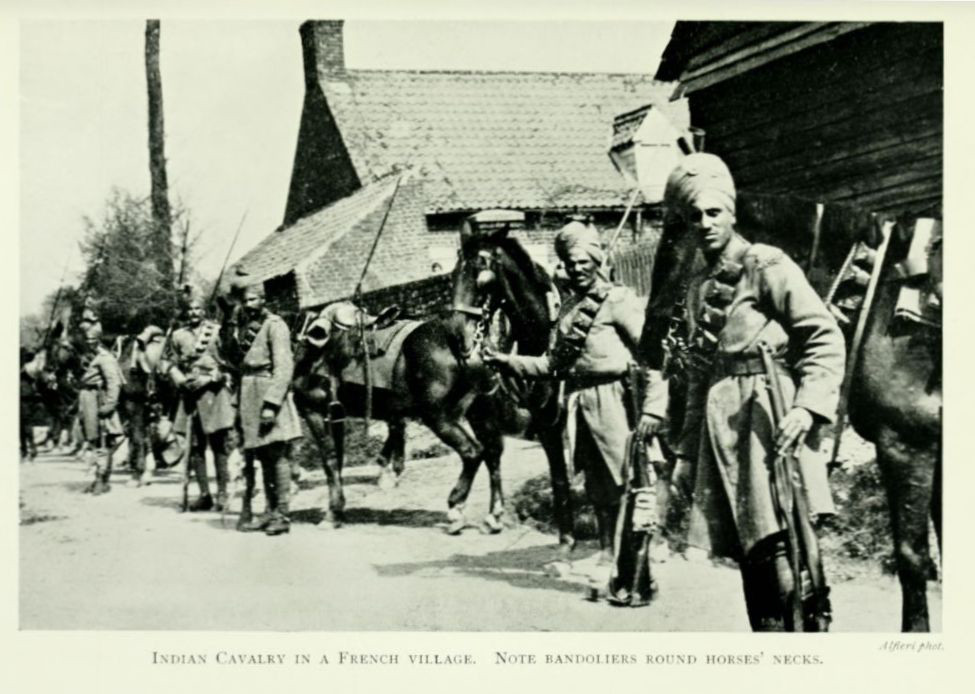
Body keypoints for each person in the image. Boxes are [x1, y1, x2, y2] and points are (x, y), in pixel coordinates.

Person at [638, 153, 845, 631]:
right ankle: (769, 634)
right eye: (694, 216)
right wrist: (687, 454)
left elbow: (822, 334)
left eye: (714, 212)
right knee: (750, 547)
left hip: (769, 416)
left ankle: (805, 631)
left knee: (783, 540)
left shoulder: (764, 264)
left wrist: (808, 407)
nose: (705, 223)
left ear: (732, 213)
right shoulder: (696, 288)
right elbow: (695, 380)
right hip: (722, 429)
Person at [484, 221, 648, 590]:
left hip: (613, 397)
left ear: (595, 259)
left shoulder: (618, 300)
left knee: (622, 479)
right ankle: (606, 553)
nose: (576, 268)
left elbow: (648, 354)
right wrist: (507, 361)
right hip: (579, 400)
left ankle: (634, 560)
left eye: (581, 261)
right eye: (569, 263)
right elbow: (552, 365)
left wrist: (651, 406)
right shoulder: (570, 309)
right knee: (596, 485)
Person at [224, 275, 302, 536]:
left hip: (268, 391)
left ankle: (282, 514)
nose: (248, 304)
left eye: (253, 299)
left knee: (278, 456)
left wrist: (271, 404)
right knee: (262, 458)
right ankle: (269, 511)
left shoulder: (274, 326)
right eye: (245, 300)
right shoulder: (243, 326)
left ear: (263, 299)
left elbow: (284, 368)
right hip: (249, 393)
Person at [165, 289, 237, 510]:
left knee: (218, 445)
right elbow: (169, 363)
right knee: (195, 446)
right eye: (190, 309)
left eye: (198, 309)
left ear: (204, 311)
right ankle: (204, 494)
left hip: (213, 393)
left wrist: (212, 377)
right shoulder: (178, 335)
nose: (194, 313)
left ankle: (223, 493)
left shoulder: (216, 332)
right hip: (190, 394)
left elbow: (230, 361)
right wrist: (178, 379)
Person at [77, 323, 125, 490]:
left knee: (102, 441)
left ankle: (101, 479)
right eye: (87, 339)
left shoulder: (105, 358)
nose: (90, 343)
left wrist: (110, 405)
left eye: (93, 340)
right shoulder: (92, 357)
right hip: (89, 400)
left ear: (99, 341)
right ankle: (101, 478)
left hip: (99, 401)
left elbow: (114, 382)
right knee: (96, 440)